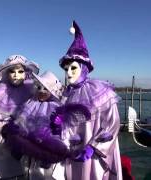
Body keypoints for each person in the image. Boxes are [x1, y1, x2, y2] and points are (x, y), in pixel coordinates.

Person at [53, 21, 122, 180]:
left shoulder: (99, 91)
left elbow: (112, 124)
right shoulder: (66, 94)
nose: (68, 73)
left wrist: (93, 147)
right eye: (66, 69)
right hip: (71, 155)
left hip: (94, 157)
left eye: (73, 68)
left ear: (84, 67)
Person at [0, 54, 39, 179]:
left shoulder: (31, 91)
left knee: (22, 173)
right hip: (2, 142)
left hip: (24, 142)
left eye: (20, 71)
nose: (16, 75)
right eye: (12, 71)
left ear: (26, 73)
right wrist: (2, 127)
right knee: (2, 173)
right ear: (6, 73)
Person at [4, 71, 64, 180]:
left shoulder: (56, 107)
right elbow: (20, 122)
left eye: (45, 88)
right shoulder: (30, 103)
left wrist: (58, 128)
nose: (41, 91)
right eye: (39, 87)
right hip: (27, 154)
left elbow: (62, 134)